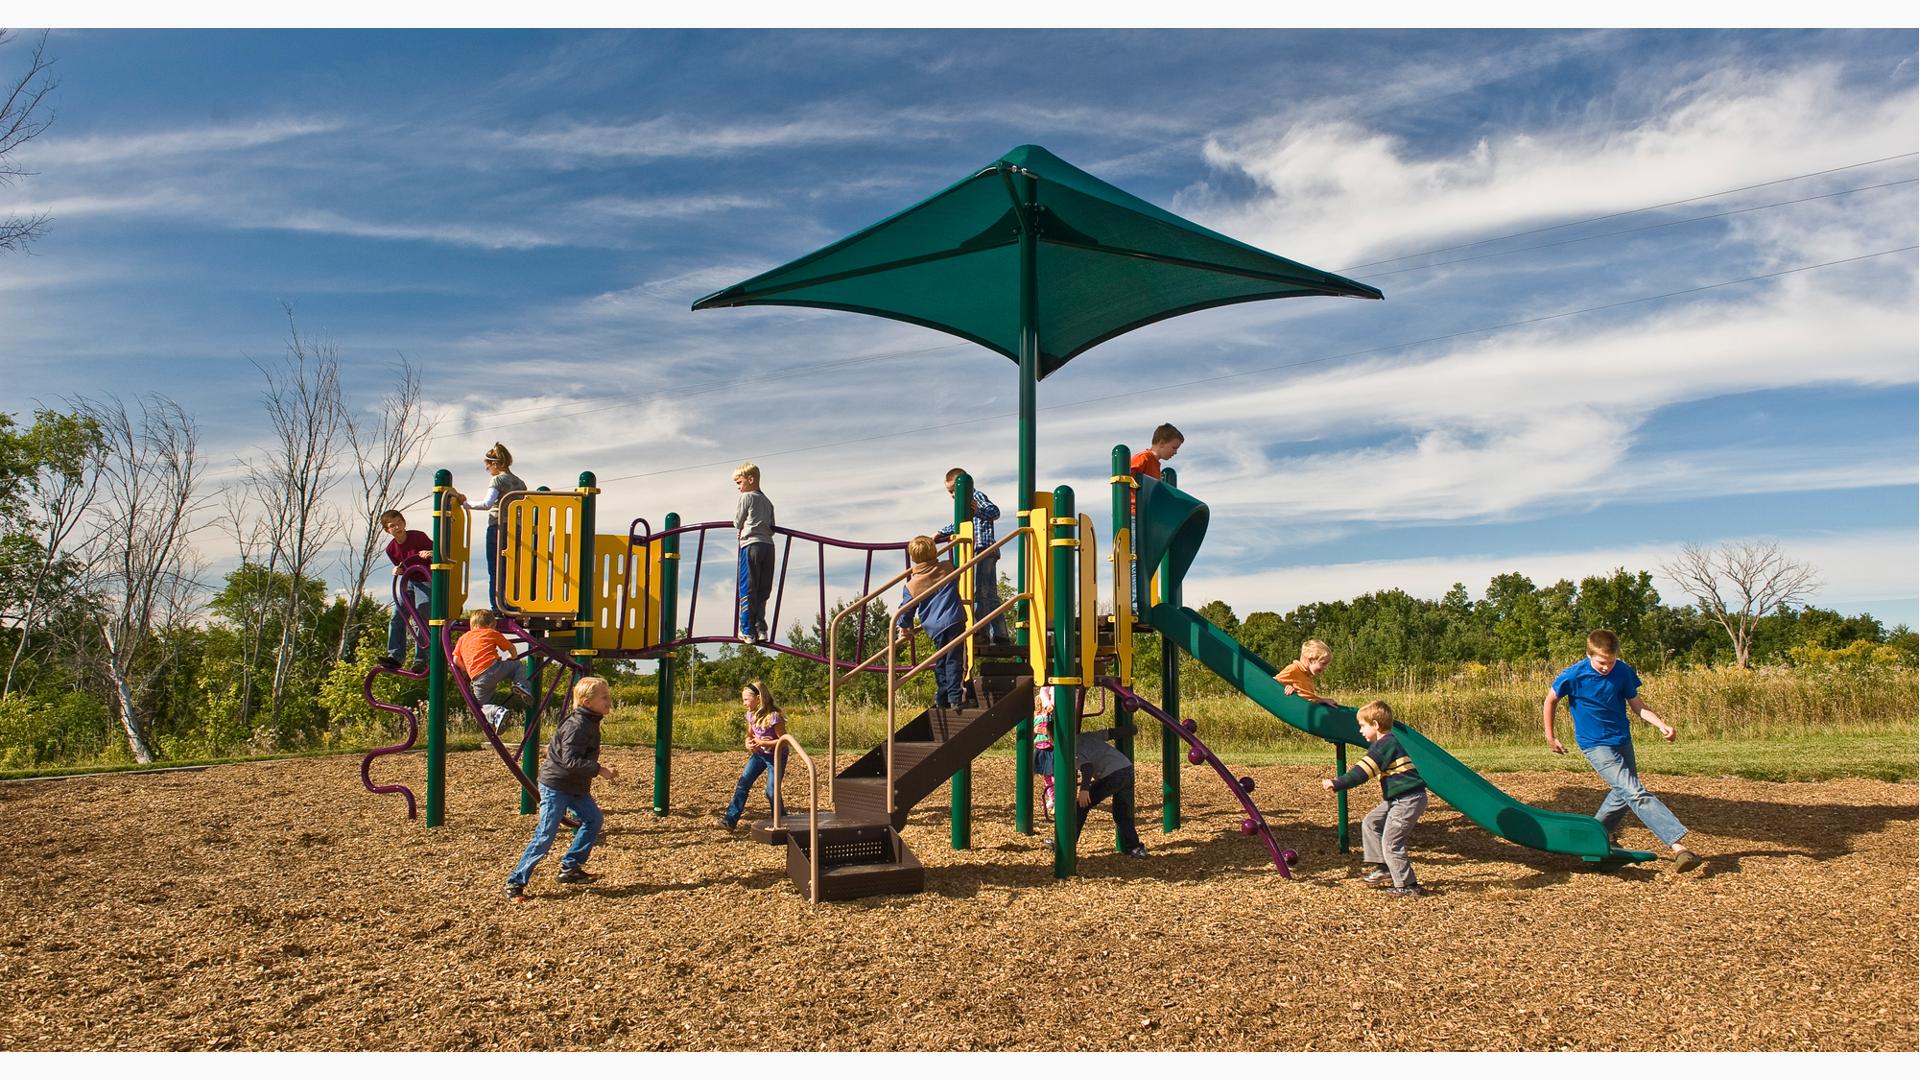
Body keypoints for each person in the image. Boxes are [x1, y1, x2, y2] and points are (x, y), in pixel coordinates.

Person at [1544, 629, 1702, 872]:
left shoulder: (1623, 672)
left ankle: (1596, 835)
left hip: (1621, 739)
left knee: (1623, 792)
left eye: (1611, 661)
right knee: (1635, 792)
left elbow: (1638, 705)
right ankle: (1678, 846)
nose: (1607, 667)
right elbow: (1550, 700)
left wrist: (1661, 724)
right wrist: (1550, 735)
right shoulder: (1574, 674)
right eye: (1601, 662)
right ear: (1589, 655)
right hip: (1594, 744)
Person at [505, 676, 617, 901]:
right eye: (604, 697)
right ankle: (515, 882)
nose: (609, 701)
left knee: (594, 819)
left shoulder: (589, 721)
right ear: (587, 702)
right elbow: (570, 761)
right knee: (546, 834)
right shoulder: (578, 725)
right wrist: (600, 769)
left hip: (575, 786)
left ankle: (570, 867)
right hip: (556, 786)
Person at [1322, 699, 1428, 897]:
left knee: (1391, 842)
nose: (1360, 731)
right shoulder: (1387, 743)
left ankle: (1408, 885)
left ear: (1375, 725)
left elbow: (1362, 772)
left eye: (1363, 726)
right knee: (1371, 822)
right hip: (1397, 799)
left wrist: (1337, 783)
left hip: (1408, 799)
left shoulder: (1385, 745)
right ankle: (1384, 868)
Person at [1045, 723, 1146, 858]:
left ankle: (1065, 845)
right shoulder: (1086, 736)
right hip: (1127, 769)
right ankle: (1136, 848)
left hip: (1112, 776)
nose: (1048, 739)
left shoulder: (1070, 748)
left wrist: (1084, 789)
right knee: (1121, 813)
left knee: (1080, 807)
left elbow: (1087, 767)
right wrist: (1131, 729)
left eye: (1048, 736)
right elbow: (1110, 733)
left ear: (1053, 738)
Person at [932, 468, 1009, 646]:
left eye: (953, 490)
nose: (951, 495)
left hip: (983, 549)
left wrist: (978, 510)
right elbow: (960, 524)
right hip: (978, 551)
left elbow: (994, 512)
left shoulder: (976, 496)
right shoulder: (962, 505)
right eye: (949, 492)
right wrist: (940, 532)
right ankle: (1001, 634)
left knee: (979, 591)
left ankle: (980, 632)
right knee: (989, 594)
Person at [893, 535, 967, 709]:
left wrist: (904, 627)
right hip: (954, 620)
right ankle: (956, 698)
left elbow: (906, 609)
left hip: (934, 627)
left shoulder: (912, 585)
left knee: (941, 660)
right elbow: (958, 577)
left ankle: (942, 697)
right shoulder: (948, 568)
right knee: (955, 660)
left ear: (913, 558)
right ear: (935, 552)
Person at [450, 443, 526, 612]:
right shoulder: (521, 483)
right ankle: (510, 603)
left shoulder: (497, 480)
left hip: (498, 527)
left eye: (488, 467)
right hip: (516, 529)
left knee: (495, 569)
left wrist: (465, 503)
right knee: (510, 567)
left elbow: (487, 504)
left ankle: (497, 607)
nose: (488, 470)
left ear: (496, 464)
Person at [714, 680, 789, 832]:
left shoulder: (774, 716)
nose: (744, 703)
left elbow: (784, 740)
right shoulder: (750, 715)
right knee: (743, 783)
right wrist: (748, 743)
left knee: (771, 791)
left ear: (758, 698)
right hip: (759, 755)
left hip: (776, 757)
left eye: (746, 699)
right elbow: (749, 735)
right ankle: (730, 820)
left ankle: (782, 820)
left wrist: (765, 742)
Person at [1128, 423, 1184, 604]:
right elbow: (1126, 473)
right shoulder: (1143, 458)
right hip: (1133, 514)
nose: (1175, 452)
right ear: (1161, 442)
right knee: (1135, 557)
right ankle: (1135, 602)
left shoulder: (1156, 465)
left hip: (1145, 517)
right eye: (1174, 447)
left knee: (1144, 558)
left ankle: (1140, 600)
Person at [454, 608, 530, 731]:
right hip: (495, 667)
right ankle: (522, 685)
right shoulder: (491, 632)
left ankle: (497, 712)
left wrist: (469, 670)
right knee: (518, 666)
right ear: (490, 625)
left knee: (479, 706)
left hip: (478, 678)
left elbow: (456, 660)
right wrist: (512, 658)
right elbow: (511, 648)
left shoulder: (463, 638)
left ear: (472, 625)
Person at [378, 509, 431, 672]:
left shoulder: (418, 536)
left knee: (422, 613)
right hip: (409, 580)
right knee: (397, 616)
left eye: (399, 523)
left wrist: (430, 553)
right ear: (388, 530)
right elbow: (401, 566)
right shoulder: (391, 549)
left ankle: (421, 659)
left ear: (404, 523)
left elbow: (440, 553)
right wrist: (397, 570)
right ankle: (395, 656)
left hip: (426, 578)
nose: (398, 527)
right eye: (392, 526)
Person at [732, 462, 776, 644]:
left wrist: (741, 528)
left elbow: (737, 521)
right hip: (768, 547)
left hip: (751, 546)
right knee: (763, 588)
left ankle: (747, 630)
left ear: (750, 480)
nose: (738, 487)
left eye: (739, 482)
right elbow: (772, 527)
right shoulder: (768, 501)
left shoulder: (746, 497)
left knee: (747, 587)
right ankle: (761, 628)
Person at [1274, 639, 1336, 704]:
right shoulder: (1293, 669)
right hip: (1299, 709)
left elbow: (1308, 698)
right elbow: (1272, 683)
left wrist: (1322, 700)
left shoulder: (1307, 675)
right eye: (1323, 664)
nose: (1325, 668)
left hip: (1309, 707)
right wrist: (1286, 687)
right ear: (1310, 659)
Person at [1031, 684, 1057, 819]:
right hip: (1040, 748)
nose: (1039, 703)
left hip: (1050, 747)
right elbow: (1034, 731)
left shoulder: (1050, 715)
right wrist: (1036, 730)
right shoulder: (1036, 715)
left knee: (1053, 775)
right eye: (1038, 702)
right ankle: (1052, 798)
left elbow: (1051, 728)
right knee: (1046, 776)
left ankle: (1056, 799)